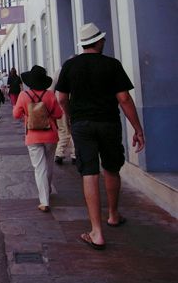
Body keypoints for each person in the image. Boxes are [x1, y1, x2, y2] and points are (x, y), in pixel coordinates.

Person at [56, 22, 145, 250]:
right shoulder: (112, 65)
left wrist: (71, 116)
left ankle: (96, 232)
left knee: (89, 172)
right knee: (112, 168)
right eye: (102, 39)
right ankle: (113, 215)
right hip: (108, 123)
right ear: (98, 42)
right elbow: (124, 98)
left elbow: (61, 98)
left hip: (82, 125)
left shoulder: (70, 66)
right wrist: (137, 128)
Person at [13, 65, 63, 212]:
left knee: (39, 167)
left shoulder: (23, 96)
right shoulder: (50, 95)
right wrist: (46, 115)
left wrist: (28, 113)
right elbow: (59, 114)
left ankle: (44, 200)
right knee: (48, 165)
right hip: (50, 135)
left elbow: (16, 115)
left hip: (33, 135)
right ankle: (46, 191)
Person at [52, 68, 76, 165]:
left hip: (60, 105)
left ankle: (59, 153)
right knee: (73, 129)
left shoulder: (59, 71)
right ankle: (75, 154)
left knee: (62, 130)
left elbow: (51, 89)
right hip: (72, 104)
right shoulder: (78, 69)